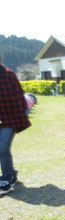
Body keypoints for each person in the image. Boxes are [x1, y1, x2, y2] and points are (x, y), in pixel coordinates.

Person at [0, 63, 31, 195]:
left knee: (3, 148)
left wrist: (22, 111)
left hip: (9, 118)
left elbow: (19, 95)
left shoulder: (8, 74)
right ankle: (11, 173)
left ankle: (7, 176)